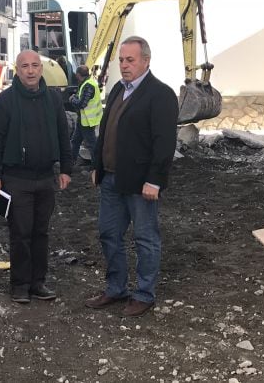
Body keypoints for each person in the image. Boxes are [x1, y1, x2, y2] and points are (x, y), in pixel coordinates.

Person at [85, 36, 178, 318]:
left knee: (145, 238)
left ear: (146, 61)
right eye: (121, 60)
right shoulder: (117, 90)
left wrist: (155, 180)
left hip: (140, 183)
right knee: (108, 234)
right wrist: (97, 166)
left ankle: (144, 294)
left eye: (130, 60)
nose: (124, 65)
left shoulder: (160, 94)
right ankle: (116, 288)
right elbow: (107, 129)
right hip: (111, 179)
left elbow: (164, 143)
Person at [0, 49, 73, 304]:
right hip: (16, 178)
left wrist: (66, 168)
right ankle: (20, 284)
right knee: (21, 232)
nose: (31, 70)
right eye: (25, 66)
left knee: (41, 232)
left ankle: (38, 282)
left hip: (46, 177)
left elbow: (62, 135)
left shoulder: (54, 99)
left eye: (35, 65)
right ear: (17, 69)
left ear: (41, 69)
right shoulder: (4, 102)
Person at [68, 65, 102, 164]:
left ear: (78, 75)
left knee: (91, 144)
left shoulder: (88, 85)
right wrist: (76, 96)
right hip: (83, 119)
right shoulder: (87, 83)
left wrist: (72, 99)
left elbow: (81, 104)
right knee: (76, 140)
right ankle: (72, 160)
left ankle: (96, 165)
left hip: (87, 121)